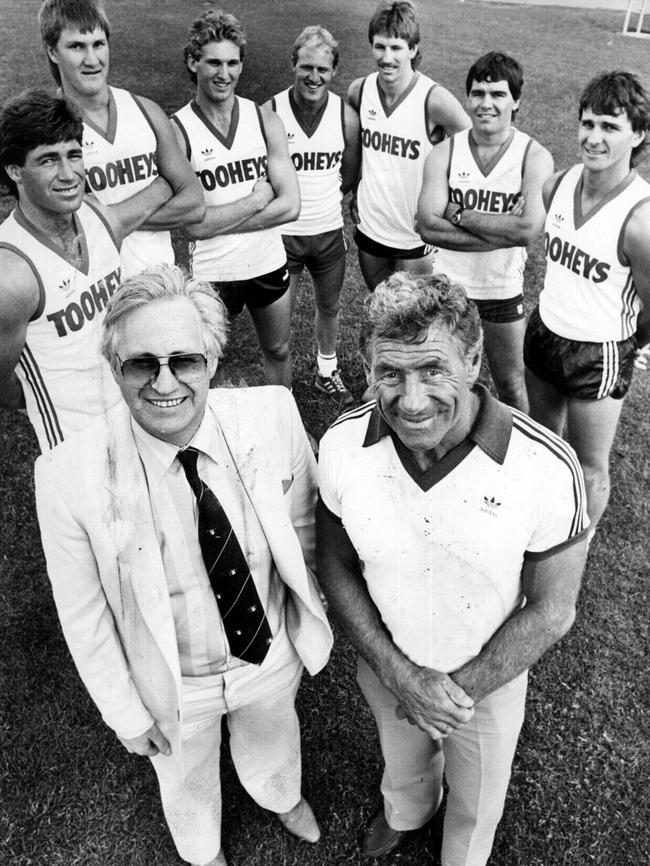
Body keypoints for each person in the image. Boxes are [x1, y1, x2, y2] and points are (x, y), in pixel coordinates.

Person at [34, 264, 333, 866]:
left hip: (268, 654)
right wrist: (123, 712)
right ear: (115, 369)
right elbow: (84, 615)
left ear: (214, 361)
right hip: (171, 685)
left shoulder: (274, 414)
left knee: (274, 741)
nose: (164, 382)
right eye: (142, 363)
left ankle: (281, 796)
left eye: (184, 361)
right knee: (185, 781)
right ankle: (203, 851)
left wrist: (307, 624)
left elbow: (305, 531)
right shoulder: (66, 476)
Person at [317, 273, 589, 866]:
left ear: (472, 360)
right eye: (391, 373)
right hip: (386, 665)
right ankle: (406, 812)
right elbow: (333, 561)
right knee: (403, 763)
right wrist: (398, 674)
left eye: (433, 370)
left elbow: (553, 609)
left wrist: (452, 696)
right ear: (367, 368)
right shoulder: (339, 445)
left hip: (488, 682)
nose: (411, 401)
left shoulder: (547, 466)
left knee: (478, 800)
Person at [0, 88, 172, 452]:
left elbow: (163, 188)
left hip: (135, 413)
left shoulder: (99, 217)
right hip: (75, 442)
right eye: (48, 160)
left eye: (74, 155)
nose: (69, 173)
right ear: (15, 170)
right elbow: (4, 385)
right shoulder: (12, 273)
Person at [524, 70, 650, 533]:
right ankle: (539, 523)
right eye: (588, 123)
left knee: (589, 465)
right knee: (540, 441)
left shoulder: (641, 219)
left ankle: (575, 543)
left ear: (639, 135)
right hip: (544, 330)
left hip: (598, 351)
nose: (594, 138)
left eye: (610, 127)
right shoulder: (556, 185)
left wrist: (624, 344)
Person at [417, 52, 553, 413]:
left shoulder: (533, 157)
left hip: (501, 289)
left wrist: (458, 213)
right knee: (446, 377)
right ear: (467, 98)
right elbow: (428, 225)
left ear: (516, 101)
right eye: (478, 93)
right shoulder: (445, 152)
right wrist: (500, 228)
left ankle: (518, 456)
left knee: (511, 385)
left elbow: (526, 230)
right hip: (449, 288)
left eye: (498, 95)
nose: (486, 103)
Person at [172, 9, 300, 389]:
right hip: (213, 272)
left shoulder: (263, 120)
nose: (223, 73)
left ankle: (283, 427)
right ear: (194, 62)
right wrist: (256, 201)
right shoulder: (179, 131)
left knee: (278, 350)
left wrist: (220, 221)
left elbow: (291, 205)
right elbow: (192, 225)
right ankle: (220, 436)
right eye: (213, 62)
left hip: (266, 261)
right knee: (212, 362)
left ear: (242, 65)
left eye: (232, 62)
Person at [38, 0, 205, 277]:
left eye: (99, 44)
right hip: (92, 299)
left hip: (159, 288)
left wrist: (109, 219)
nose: (92, 60)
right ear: (52, 51)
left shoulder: (145, 111)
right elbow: (65, 234)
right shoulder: (45, 131)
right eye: (77, 46)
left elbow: (195, 204)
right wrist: (160, 189)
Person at [266, 26, 361, 404]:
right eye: (306, 67)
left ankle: (326, 370)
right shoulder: (271, 111)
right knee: (279, 318)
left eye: (322, 69)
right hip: (282, 236)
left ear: (334, 71)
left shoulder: (346, 116)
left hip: (326, 231)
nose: (313, 77)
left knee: (330, 306)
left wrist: (326, 201)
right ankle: (279, 387)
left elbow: (349, 173)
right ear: (293, 65)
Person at [347, 0, 469, 291]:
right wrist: (356, 188)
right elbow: (354, 147)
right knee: (380, 313)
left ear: (412, 49)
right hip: (371, 226)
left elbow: (475, 145)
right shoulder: (359, 91)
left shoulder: (433, 99)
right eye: (380, 46)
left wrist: (448, 200)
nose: (387, 57)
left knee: (415, 325)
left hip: (414, 235)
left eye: (396, 48)